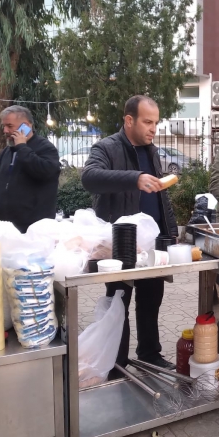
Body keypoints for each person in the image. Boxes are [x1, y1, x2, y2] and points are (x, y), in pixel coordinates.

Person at [82, 95, 178, 370]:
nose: (153, 128)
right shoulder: (107, 147)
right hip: (120, 244)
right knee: (118, 303)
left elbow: (161, 198)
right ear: (129, 120)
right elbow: (90, 177)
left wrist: (171, 233)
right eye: (147, 122)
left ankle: (149, 353)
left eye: (156, 123)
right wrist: (133, 178)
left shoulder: (152, 150)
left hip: (153, 243)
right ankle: (117, 361)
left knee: (151, 300)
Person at [0, 105, 60, 234]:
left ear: (26, 126)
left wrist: (22, 147)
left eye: (10, 126)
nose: (5, 130)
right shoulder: (7, 152)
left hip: (34, 228)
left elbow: (44, 172)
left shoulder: (45, 148)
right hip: (6, 227)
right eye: (4, 126)